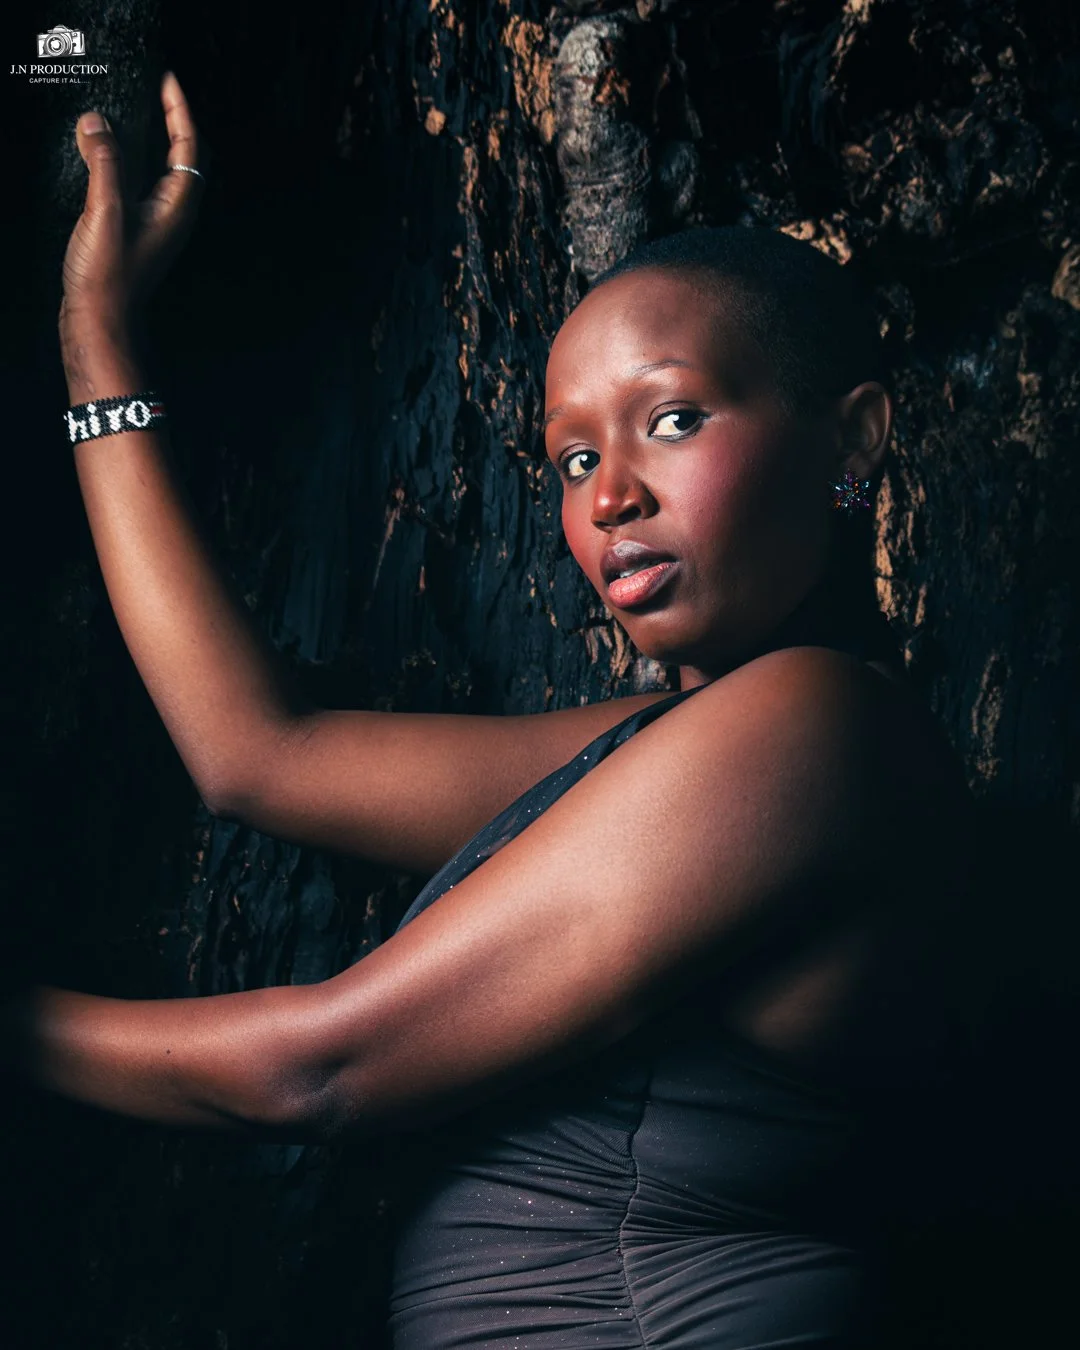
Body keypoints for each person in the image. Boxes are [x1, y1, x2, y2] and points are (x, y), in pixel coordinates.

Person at [10, 70, 978, 1348]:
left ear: (852, 443)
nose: (610, 497)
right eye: (576, 456)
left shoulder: (823, 728)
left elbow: (321, 1069)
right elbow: (258, 757)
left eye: (673, 419)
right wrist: (99, 348)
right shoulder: (677, 753)